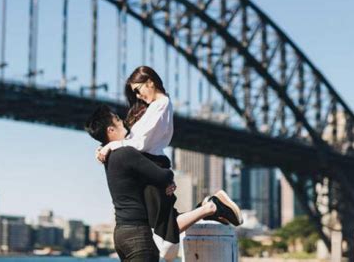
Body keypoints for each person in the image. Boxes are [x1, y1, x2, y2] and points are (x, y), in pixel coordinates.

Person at [95, 66, 243, 260]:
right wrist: (105, 145)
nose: (138, 96)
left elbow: (140, 143)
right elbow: (134, 140)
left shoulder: (162, 104)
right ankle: (210, 207)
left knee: (163, 230)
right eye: (134, 93)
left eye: (138, 90)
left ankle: (211, 207)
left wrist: (111, 147)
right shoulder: (152, 108)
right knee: (162, 225)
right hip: (147, 167)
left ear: (150, 82)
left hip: (152, 165)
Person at [85, 105, 222, 261]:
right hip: (138, 234)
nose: (123, 121)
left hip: (121, 233)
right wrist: (168, 177)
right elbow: (163, 176)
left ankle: (208, 209)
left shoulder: (108, 156)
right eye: (117, 119)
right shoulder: (126, 153)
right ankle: (210, 208)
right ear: (110, 130)